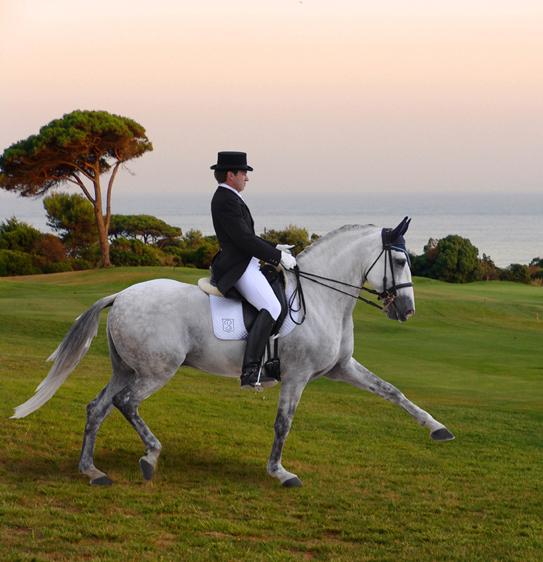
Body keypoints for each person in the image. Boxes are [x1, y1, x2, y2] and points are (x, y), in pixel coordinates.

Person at [210, 151, 296, 390]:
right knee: (273, 306)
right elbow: (244, 241)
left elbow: (247, 237)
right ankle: (249, 371)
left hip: (245, 262)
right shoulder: (226, 200)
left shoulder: (230, 196)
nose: (247, 178)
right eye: (244, 173)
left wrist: (275, 247)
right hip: (237, 267)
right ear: (230, 175)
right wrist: (278, 258)